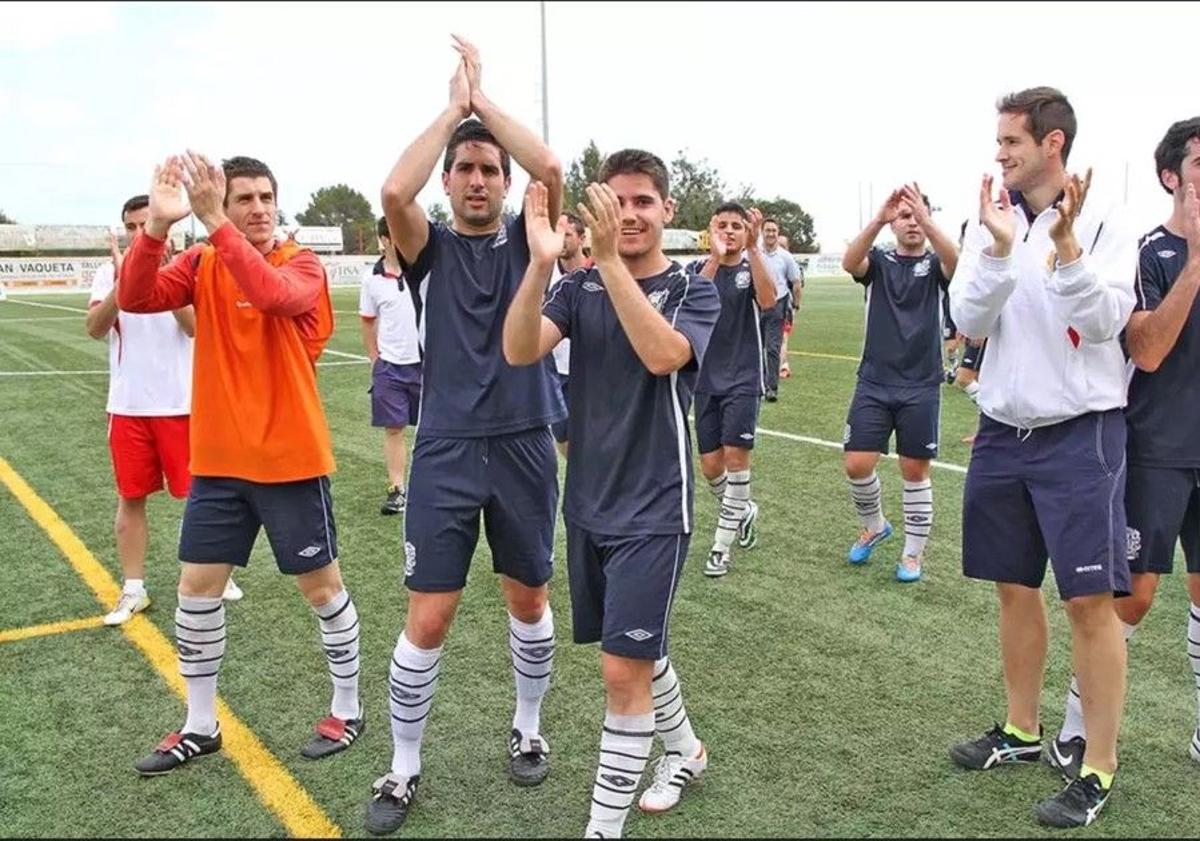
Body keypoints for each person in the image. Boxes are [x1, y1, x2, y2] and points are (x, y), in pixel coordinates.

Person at [364, 36, 566, 835]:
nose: (478, 179)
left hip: (523, 440)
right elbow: (389, 189)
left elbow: (551, 170)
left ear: (503, 185)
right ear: (448, 183)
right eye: (465, 168)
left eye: (489, 169)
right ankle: (403, 765)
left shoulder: (528, 238)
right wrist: (454, 109)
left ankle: (527, 724)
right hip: (445, 448)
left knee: (529, 598)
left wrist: (488, 109)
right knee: (430, 615)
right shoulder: (429, 248)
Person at [118, 153, 363, 773]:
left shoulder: (300, 263)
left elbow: (274, 296)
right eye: (243, 199)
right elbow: (136, 295)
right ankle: (200, 725)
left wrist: (212, 225)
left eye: (264, 198)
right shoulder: (200, 262)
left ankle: (349, 707)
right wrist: (156, 230)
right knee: (195, 594)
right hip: (220, 464)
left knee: (321, 588)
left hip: (289, 460)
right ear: (225, 207)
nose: (257, 209)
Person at [502, 151, 720, 839]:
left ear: (666, 211)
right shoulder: (578, 286)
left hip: (656, 506)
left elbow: (664, 355)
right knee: (640, 647)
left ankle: (601, 829)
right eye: (615, 201)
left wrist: (608, 264)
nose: (628, 214)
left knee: (621, 669)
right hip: (588, 503)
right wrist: (542, 264)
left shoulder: (693, 288)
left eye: (642, 202)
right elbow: (517, 348)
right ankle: (685, 749)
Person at [947, 87, 1137, 828]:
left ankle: (1098, 765)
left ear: (1052, 144)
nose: (1000, 154)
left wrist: (1064, 247)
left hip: (1081, 433)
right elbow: (967, 320)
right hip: (1001, 429)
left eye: (1012, 142)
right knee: (1012, 587)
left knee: (1090, 602)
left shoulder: (1109, 218)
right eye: (998, 142)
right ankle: (1022, 732)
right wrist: (997, 247)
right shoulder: (989, 219)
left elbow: (1103, 323)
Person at [1047, 116, 1200, 776]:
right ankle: (1077, 729)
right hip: (1158, 443)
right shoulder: (1148, 253)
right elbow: (1148, 348)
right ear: (1173, 177)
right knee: (1133, 597)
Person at [86, 195, 243, 625]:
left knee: (202, 496)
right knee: (131, 497)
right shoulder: (107, 274)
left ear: (168, 229)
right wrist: (126, 283)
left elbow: (196, 328)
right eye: (132, 227)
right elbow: (95, 328)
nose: (140, 233)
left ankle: (215, 573)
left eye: (148, 224)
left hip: (183, 404)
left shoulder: (190, 269)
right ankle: (133, 589)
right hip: (128, 405)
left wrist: (156, 278)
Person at [839, 186, 958, 582]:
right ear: (893, 222)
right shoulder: (878, 261)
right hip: (874, 379)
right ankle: (875, 525)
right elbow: (849, 262)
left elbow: (956, 263)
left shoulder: (937, 263)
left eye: (917, 215)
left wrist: (926, 217)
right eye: (903, 216)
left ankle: (912, 554)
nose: (911, 223)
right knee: (857, 463)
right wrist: (877, 219)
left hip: (921, 383)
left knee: (914, 469)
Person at [689, 203, 777, 577]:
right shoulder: (698, 270)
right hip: (704, 379)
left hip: (742, 378)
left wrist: (754, 249)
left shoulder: (752, 266)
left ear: (747, 232)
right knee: (711, 467)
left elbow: (770, 301)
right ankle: (744, 509)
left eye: (736, 226)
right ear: (712, 230)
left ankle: (720, 548)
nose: (729, 231)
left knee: (736, 460)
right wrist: (714, 257)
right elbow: (693, 300)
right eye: (722, 225)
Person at [360, 216, 422, 515]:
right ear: (385, 240)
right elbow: (368, 322)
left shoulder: (423, 271)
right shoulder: (372, 281)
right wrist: (376, 360)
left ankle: (429, 486)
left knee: (433, 428)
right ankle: (398, 489)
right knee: (394, 429)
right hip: (390, 368)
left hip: (427, 364)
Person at [548, 212, 592, 454]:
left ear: (582, 238)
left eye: (566, 234)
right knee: (563, 436)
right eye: (557, 234)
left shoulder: (598, 270)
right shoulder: (546, 273)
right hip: (557, 371)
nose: (560, 240)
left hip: (592, 370)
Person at [758, 218, 796, 401]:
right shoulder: (753, 253)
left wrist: (796, 304)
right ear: (762, 232)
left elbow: (796, 282)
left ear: (777, 233)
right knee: (755, 346)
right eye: (767, 230)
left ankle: (771, 388)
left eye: (774, 230)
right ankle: (758, 383)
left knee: (772, 348)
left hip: (777, 305)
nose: (771, 233)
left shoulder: (785, 257)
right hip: (755, 305)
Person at [778, 235, 803, 379]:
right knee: (782, 338)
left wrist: (796, 305)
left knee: (779, 338)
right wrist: (796, 305)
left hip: (780, 305)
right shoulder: (792, 263)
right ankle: (781, 366)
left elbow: (798, 286)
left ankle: (783, 365)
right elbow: (798, 287)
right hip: (784, 305)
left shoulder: (783, 262)